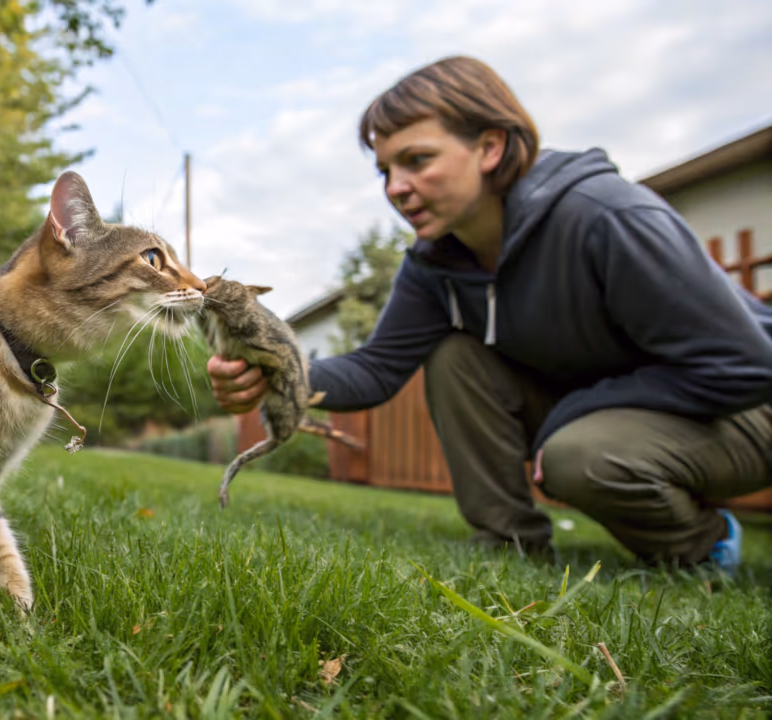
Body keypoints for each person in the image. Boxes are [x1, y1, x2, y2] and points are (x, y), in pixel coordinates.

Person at [207, 56, 770, 570]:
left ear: (491, 147)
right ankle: (512, 542)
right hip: (625, 410)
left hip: (745, 408)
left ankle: (703, 545)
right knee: (455, 356)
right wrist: (274, 368)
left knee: (580, 456)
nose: (396, 188)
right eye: (385, 171)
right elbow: (378, 368)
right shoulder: (435, 262)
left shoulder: (604, 217)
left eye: (417, 160)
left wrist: (569, 416)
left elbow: (744, 366)